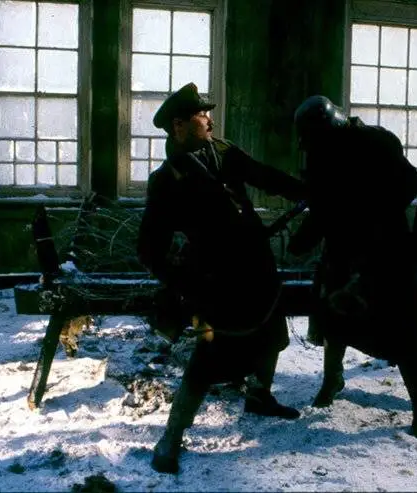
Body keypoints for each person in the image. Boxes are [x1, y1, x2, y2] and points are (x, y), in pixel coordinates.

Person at [137, 82, 306, 474]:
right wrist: (185, 284)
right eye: (202, 115)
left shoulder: (223, 151)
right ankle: (172, 437)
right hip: (215, 283)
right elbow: (149, 251)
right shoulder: (167, 180)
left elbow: (263, 175)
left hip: (256, 268)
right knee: (208, 356)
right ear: (179, 125)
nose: (210, 121)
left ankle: (260, 397)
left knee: (271, 332)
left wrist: (304, 190)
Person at [288, 95, 417, 439]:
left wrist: (368, 211)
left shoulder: (377, 142)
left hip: (386, 253)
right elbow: (323, 207)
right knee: (332, 314)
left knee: (401, 331)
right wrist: (302, 240)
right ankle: (332, 379)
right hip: (344, 252)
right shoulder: (322, 153)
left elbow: (408, 184)